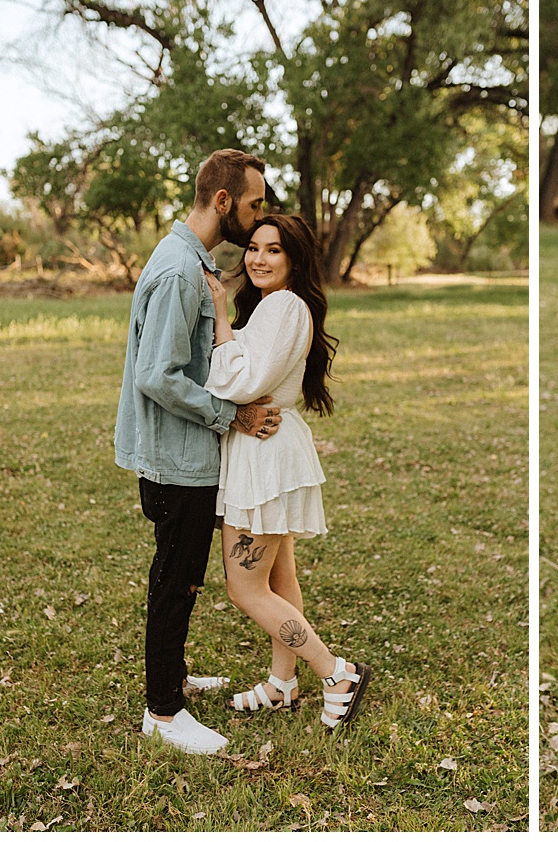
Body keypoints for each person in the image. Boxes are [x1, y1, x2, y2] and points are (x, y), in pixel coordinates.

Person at [115, 148, 283, 755]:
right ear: (222, 201)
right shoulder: (180, 271)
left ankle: (174, 677)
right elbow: (157, 376)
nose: (259, 214)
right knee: (176, 580)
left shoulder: (188, 260)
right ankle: (164, 713)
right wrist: (232, 415)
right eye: (254, 204)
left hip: (183, 456)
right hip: (176, 460)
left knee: (182, 577)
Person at [202, 214, 371, 732]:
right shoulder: (276, 305)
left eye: (273, 250)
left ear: (294, 259)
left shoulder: (283, 305)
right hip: (267, 448)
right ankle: (282, 684)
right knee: (279, 577)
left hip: (265, 452)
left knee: (245, 589)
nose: (257, 258)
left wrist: (219, 318)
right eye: (253, 248)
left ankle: (336, 673)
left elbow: (240, 383)